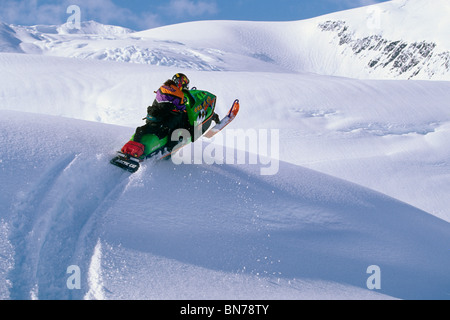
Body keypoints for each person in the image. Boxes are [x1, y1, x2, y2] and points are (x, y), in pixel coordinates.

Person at [133, 73, 190, 150]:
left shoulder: (163, 87)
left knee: (151, 127)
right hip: (163, 117)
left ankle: (136, 140)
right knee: (178, 123)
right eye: (184, 84)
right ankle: (171, 147)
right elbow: (181, 108)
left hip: (153, 112)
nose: (184, 86)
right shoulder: (179, 93)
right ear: (180, 83)